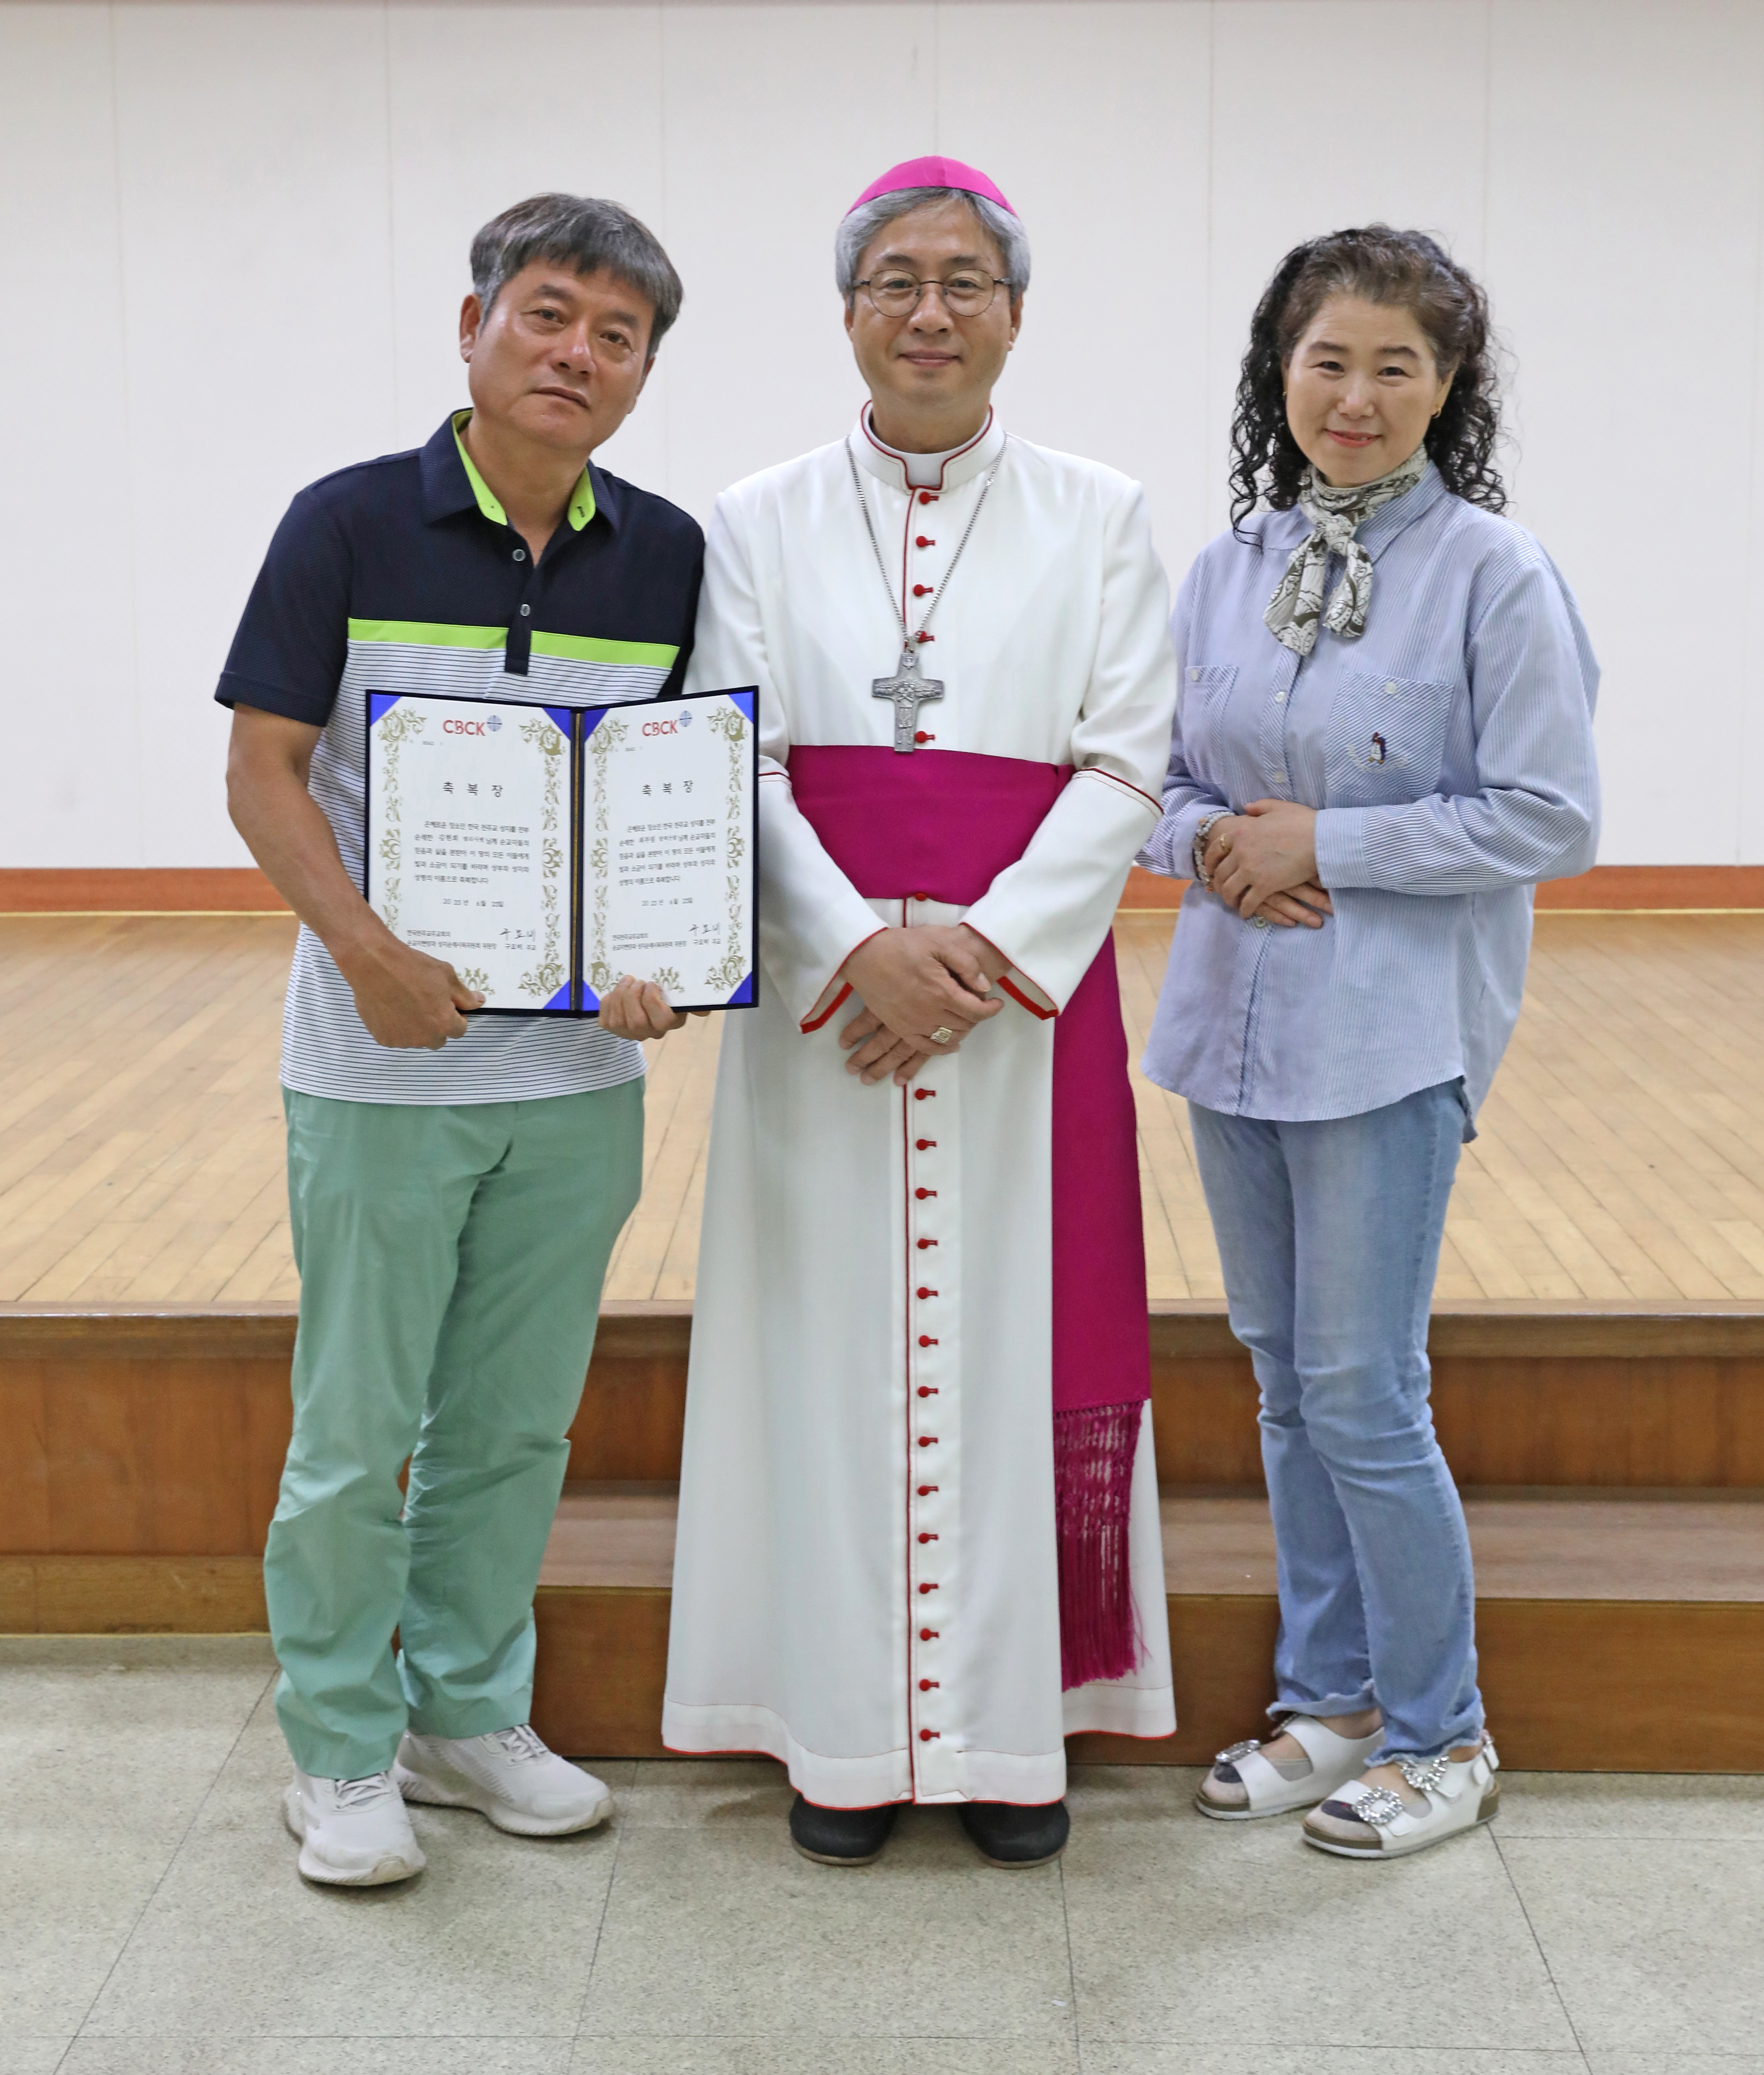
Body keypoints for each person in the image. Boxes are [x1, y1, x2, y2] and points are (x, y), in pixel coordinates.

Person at [661, 156, 1179, 1869]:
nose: (930, 311)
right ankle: (843, 1739)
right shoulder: (752, 517)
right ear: (847, 312)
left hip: (1018, 1015)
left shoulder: (1100, 512)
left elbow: (1122, 761)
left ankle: (1006, 1738)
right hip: (826, 1020)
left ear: (1014, 315)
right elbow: (725, 751)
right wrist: (851, 946)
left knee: (1016, 1344)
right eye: (896, 278)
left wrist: (974, 959)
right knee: (823, 1356)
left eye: (965, 280)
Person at [218, 193, 702, 1887]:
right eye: (548, 315)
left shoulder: (666, 556)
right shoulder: (342, 524)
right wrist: (359, 951)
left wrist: (660, 965)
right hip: (380, 1073)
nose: (577, 354)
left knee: (512, 1426)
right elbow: (263, 768)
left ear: (644, 369)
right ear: (475, 324)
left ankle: (465, 1711)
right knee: (359, 1431)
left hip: (578, 1084)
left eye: (616, 334)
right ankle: (341, 1749)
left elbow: (675, 813)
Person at [1139, 225, 1599, 1859]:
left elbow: (1550, 815)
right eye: (1326, 359)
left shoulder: (1493, 571)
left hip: (1389, 1037)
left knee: (1362, 1387)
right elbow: (1155, 790)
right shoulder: (1225, 565)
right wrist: (1214, 845)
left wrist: (1322, 844)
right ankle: (1326, 1700)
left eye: (1394, 365)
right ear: (1281, 370)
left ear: (1446, 387)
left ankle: (1440, 1730)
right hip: (1229, 1029)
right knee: (1282, 1387)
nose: (1355, 393)